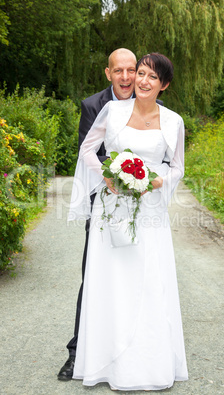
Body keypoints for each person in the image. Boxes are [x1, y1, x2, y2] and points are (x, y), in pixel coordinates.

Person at [68, 53, 188, 391]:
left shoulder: (173, 121)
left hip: (149, 212)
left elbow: (177, 166)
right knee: (112, 282)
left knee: (148, 282)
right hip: (112, 209)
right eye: (142, 74)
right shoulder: (113, 111)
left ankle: (147, 364)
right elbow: (88, 150)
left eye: (153, 77)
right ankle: (105, 362)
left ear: (163, 85)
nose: (143, 81)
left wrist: (160, 181)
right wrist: (107, 176)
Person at [57, 48, 137, 381]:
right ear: (108, 73)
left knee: (135, 277)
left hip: (141, 209)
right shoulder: (93, 106)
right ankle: (78, 353)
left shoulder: (153, 106)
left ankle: (131, 351)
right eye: (119, 71)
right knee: (92, 275)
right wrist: (116, 177)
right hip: (103, 205)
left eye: (131, 70)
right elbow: (89, 154)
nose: (126, 77)